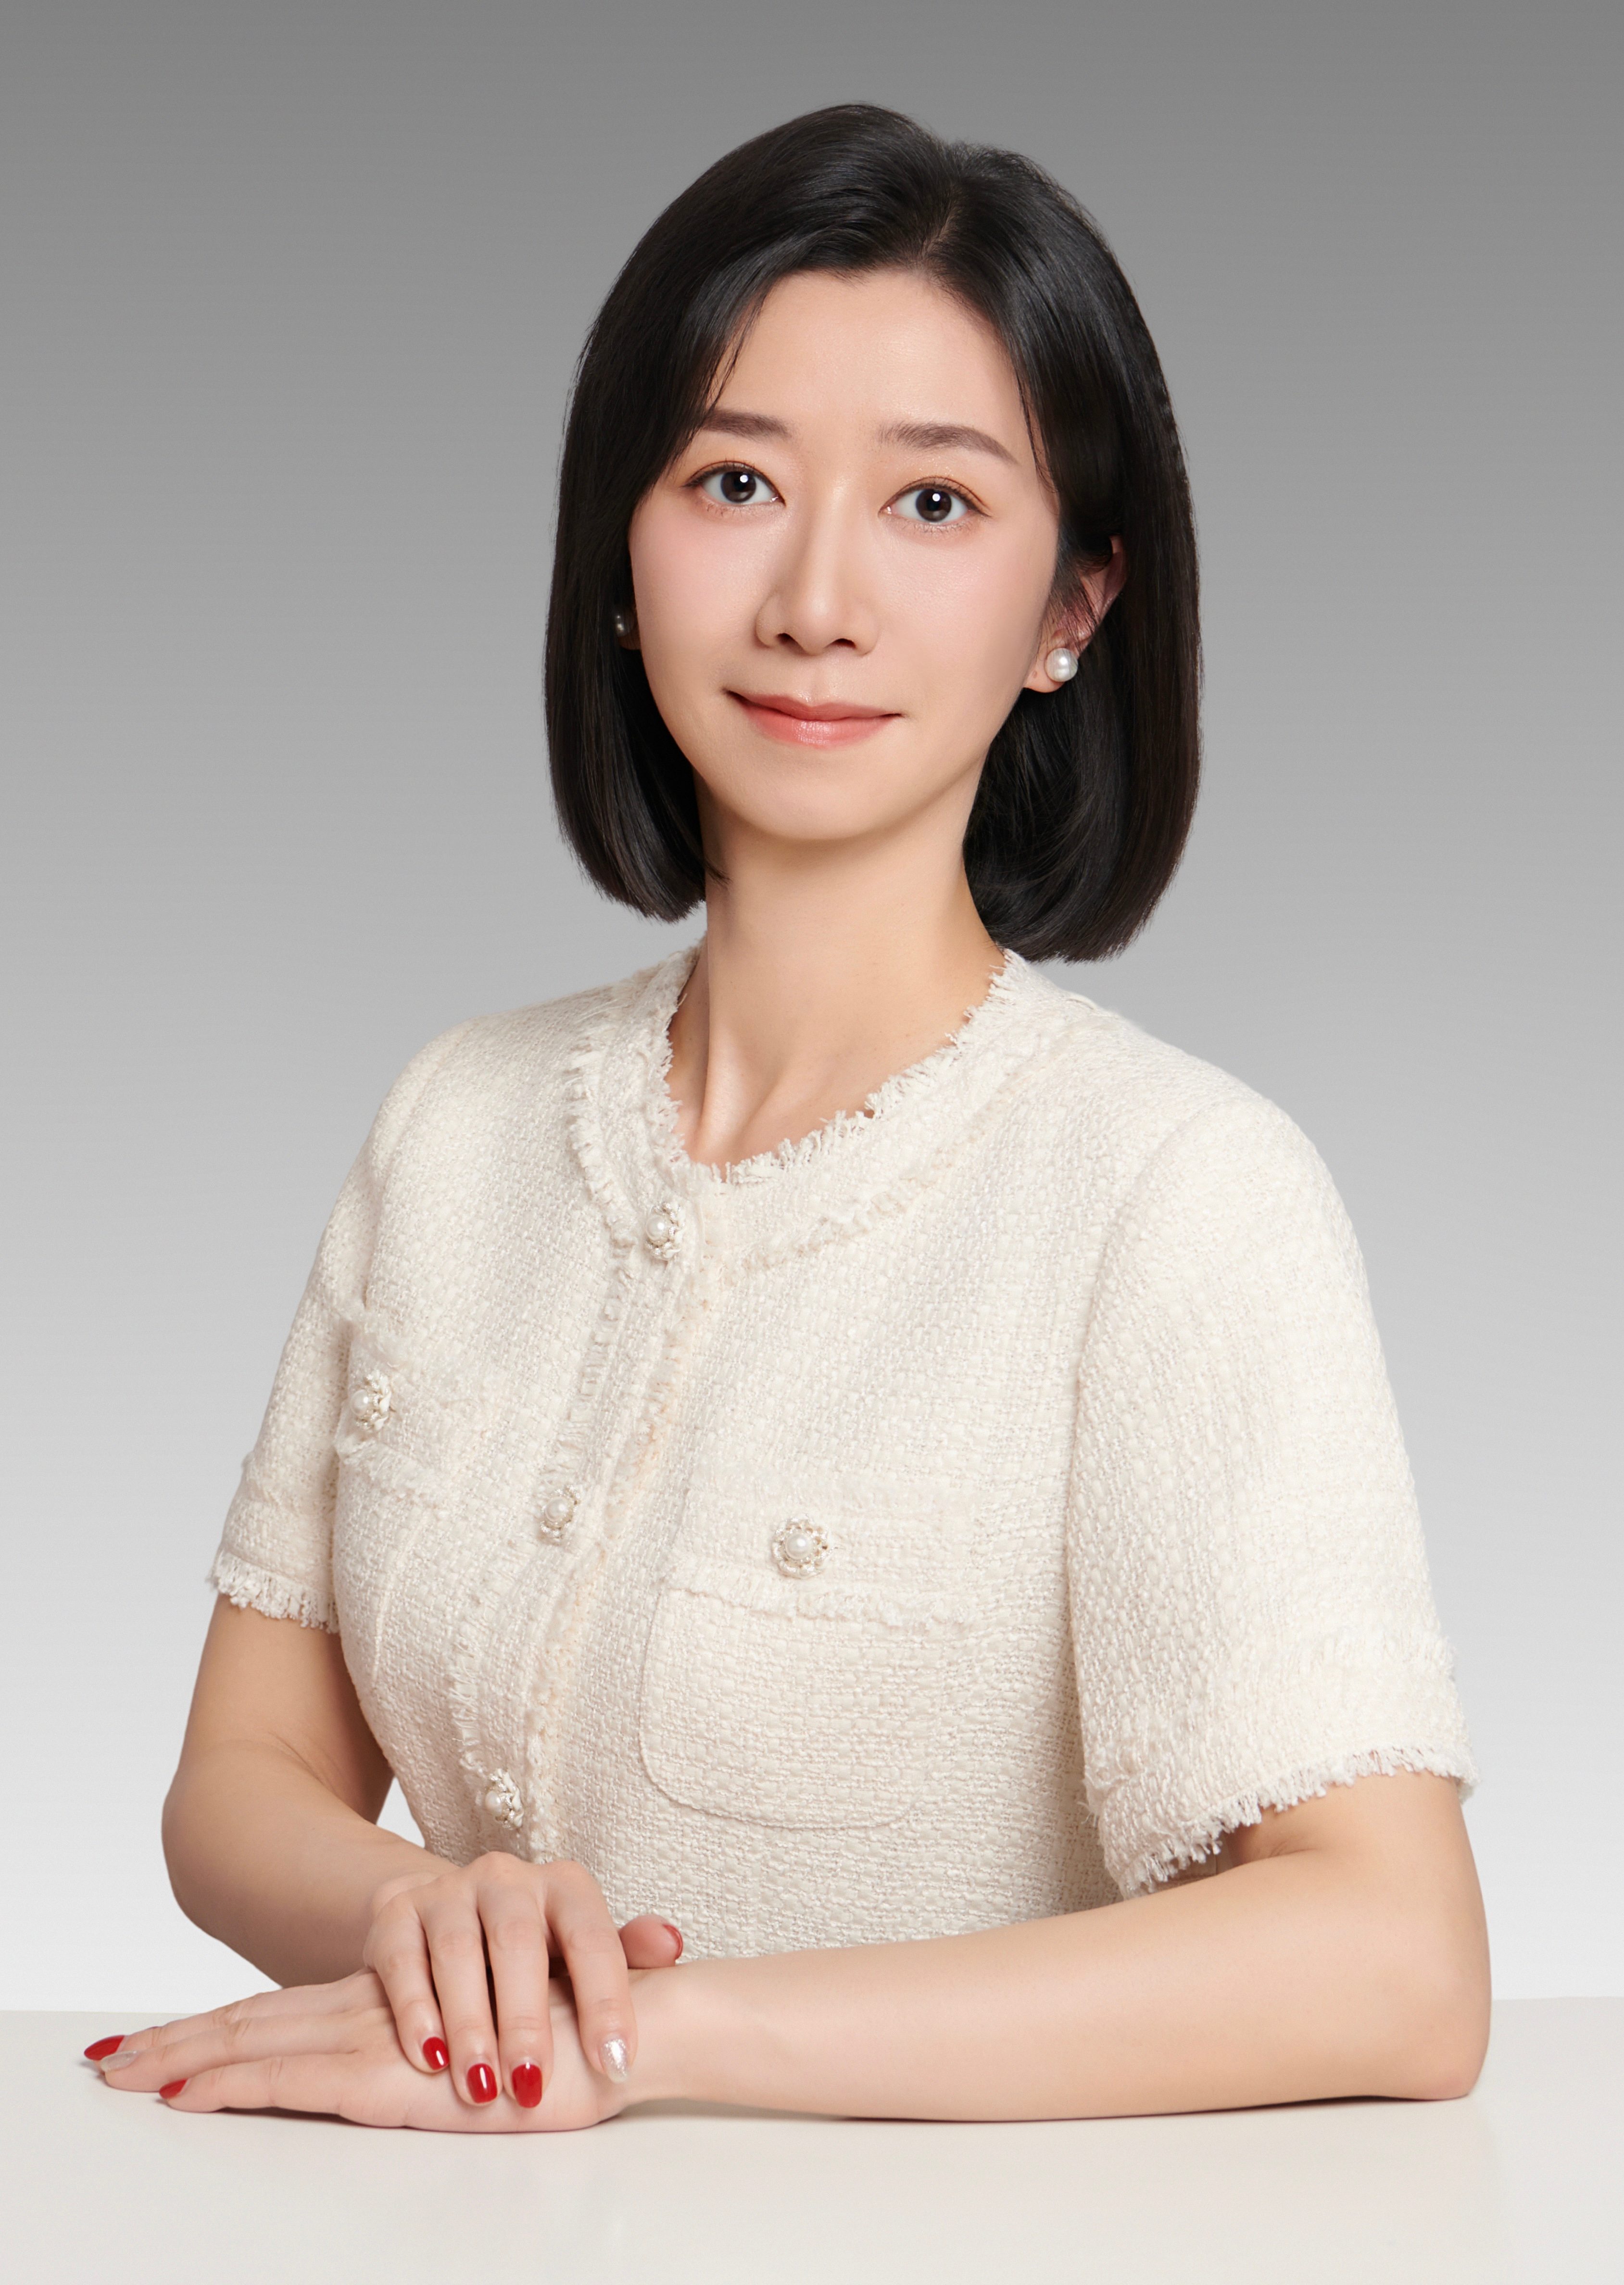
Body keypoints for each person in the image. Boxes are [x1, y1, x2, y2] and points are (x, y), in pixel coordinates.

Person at [86, 104, 1487, 2130]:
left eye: (933, 503)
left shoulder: (1173, 1195)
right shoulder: (453, 1125)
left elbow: (1396, 1962)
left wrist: (644, 2043)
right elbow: (242, 1780)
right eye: (733, 481)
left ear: (1073, 606)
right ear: (619, 553)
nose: (815, 600)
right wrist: (431, 1925)